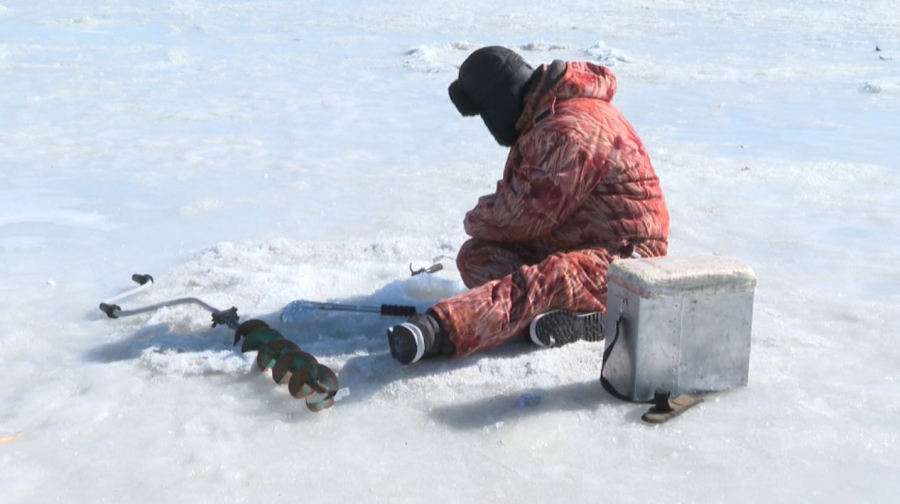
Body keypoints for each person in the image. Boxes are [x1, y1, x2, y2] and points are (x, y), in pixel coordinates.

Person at [387, 46, 669, 365]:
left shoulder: (571, 127)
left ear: (499, 100)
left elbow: (527, 216)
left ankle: (440, 331)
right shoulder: (545, 117)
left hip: (626, 265)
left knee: (546, 279)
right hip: (576, 243)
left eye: (484, 113)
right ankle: (550, 325)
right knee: (477, 257)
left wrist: (476, 218)